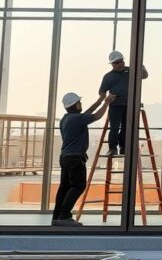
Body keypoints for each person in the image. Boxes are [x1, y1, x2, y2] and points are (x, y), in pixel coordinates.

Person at [52, 92, 115, 226]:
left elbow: (88, 112)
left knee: (64, 187)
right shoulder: (77, 119)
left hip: (65, 157)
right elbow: (96, 116)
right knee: (78, 186)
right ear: (75, 105)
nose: (81, 104)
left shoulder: (66, 119)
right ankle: (64, 216)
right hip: (75, 158)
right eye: (79, 103)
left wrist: (100, 100)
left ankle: (57, 216)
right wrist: (107, 103)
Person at [98, 50, 148, 156]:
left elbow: (144, 75)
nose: (119, 64)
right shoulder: (108, 77)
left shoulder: (131, 71)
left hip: (129, 106)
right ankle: (112, 148)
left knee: (126, 127)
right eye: (116, 63)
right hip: (115, 105)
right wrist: (106, 99)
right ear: (112, 64)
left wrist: (140, 65)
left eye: (121, 61)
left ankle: (123, 147)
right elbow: (102, 92)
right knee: (114, 127)